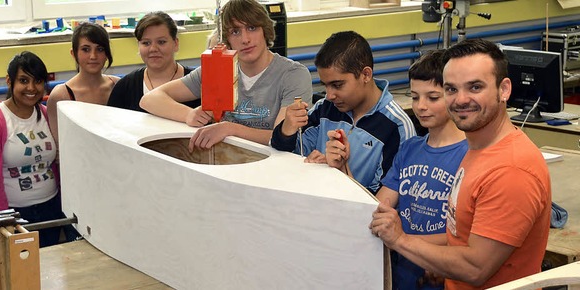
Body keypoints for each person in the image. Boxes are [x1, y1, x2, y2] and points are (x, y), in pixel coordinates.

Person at [370, 39, 551, 289]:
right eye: (451, 89)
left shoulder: (511, 169)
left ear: (504, 89)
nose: (461, 99)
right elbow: (460, 240)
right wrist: (441, 264)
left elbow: (475, 267)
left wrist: (401, 240)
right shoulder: (479, 149)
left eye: (475, 87)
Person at [139, 0, 312, 152]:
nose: (245, 39)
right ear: (226, 39)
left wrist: (229, 128)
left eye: (252, 28)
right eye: (235, 32)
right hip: (228, 163)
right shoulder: (217, 69)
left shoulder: (293, 75)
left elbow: (279, 138)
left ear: (265, 31)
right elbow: (149, 99)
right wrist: (188, 114)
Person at [271, 31, 416, 193]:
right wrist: (286, 130)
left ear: (366, 75)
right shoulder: (324, 109)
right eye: (325, 85)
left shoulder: (396, 126)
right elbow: (287, 154)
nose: (330, 95)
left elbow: (385, 201)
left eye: (337, 85)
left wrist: (338, 173)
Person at [374, 50, 467, 290]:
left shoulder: (470, 154)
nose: (421, 106)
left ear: (453, 95)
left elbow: (468, 234)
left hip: (443, 275)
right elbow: (378, 207)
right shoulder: (409, 149)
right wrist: (342, 169)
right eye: (415, 97)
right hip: (402, 274)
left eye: (432, 98)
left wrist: (403, 242)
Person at [0, 51, 65, 247]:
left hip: (50, 207)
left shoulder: (48, 115)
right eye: (23, 80)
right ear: (9, 81)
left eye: (38, 81)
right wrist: (3, 222)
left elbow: (57, 163)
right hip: (14, 214)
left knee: (49, 269)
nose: (31, 88)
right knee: (19, 274)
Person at [108, 11, 200, 112]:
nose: (153, 49)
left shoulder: (198, 85)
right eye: (146, 43)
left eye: (161, 42)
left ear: (176, 44)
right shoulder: (125, 87)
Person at [47, 22, 120, 144]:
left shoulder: (118, 85)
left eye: (100, 49)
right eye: (85, 49)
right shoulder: (61, 95)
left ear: (107, 54)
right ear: (74, 53)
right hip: (79, 161)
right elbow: (60, 148)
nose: (93, 56)